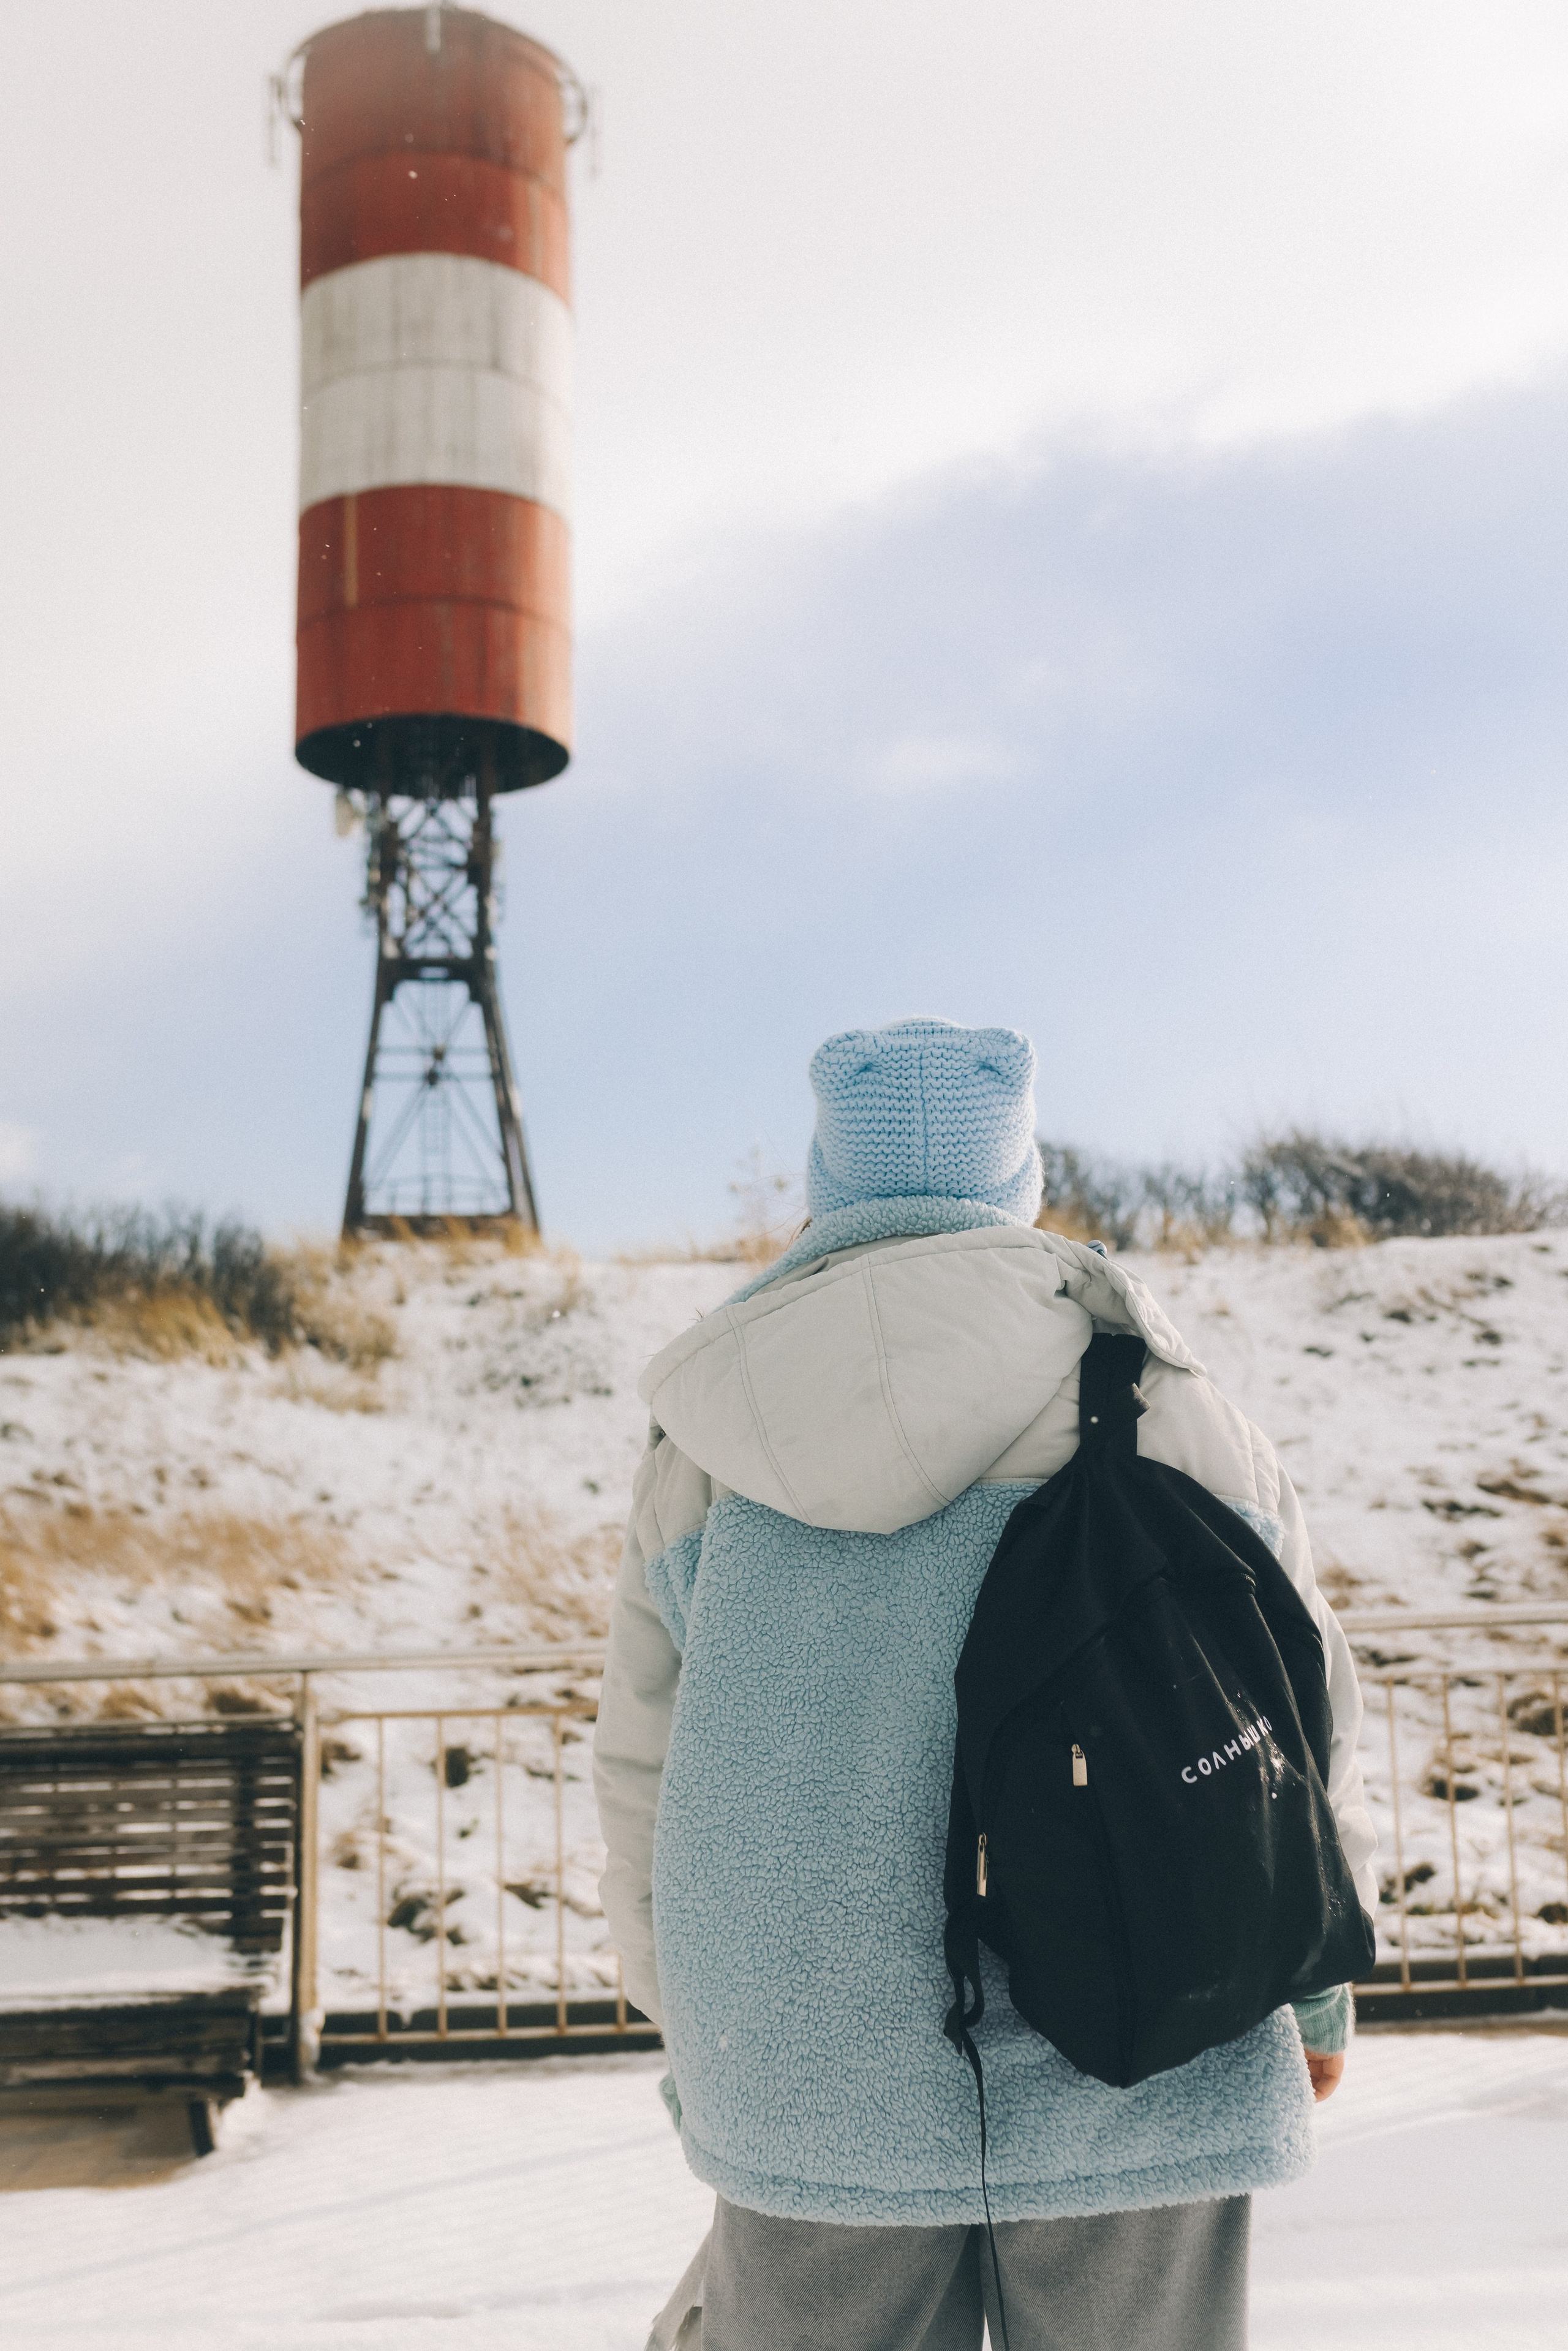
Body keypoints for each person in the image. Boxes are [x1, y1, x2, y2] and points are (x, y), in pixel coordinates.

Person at [593, 1019, 1377, 2351]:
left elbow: (638, 1771)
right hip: (1156, 2021)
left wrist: (702, 2028)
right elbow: (1295, 1728)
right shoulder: (1171, 1403)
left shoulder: (713, 1432)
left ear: (825, 1183)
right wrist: (1310, 1990)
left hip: (803, 2059)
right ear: (1018, 1176)